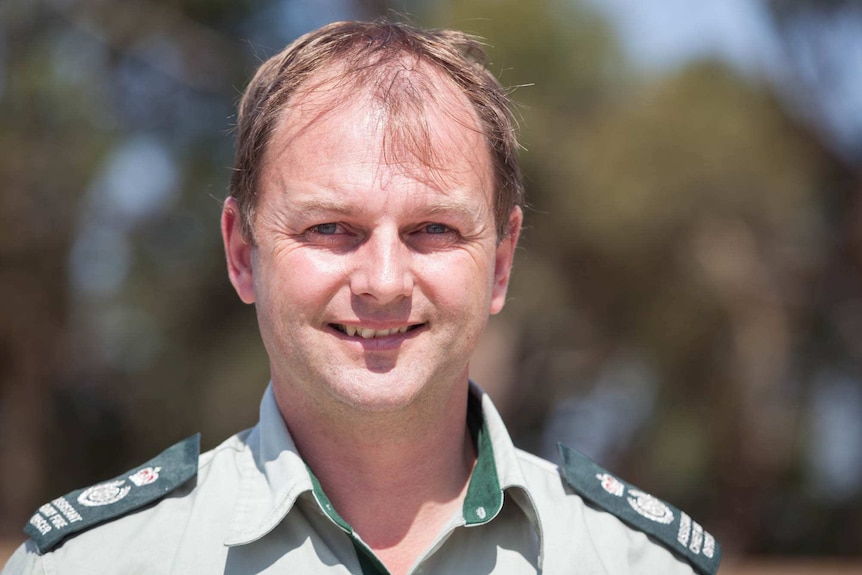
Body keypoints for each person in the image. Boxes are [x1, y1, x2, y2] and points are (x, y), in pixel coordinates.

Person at [2, 20, 720, 575]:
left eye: (433, 228)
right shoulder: (95, 561)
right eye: (330, 228)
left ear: (501, 262)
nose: (382, 280)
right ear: (241, 252)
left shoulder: (637, 561)